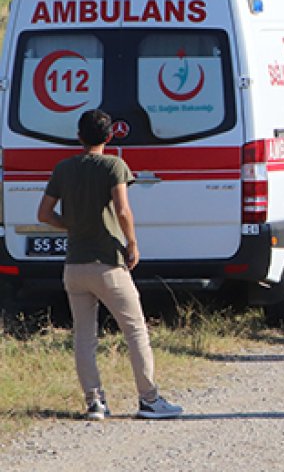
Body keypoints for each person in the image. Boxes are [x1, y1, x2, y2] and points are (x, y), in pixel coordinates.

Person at [38, 109, 183, 420]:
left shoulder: (63, 169)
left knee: (84, 336)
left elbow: (44, 214)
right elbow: (123, 210)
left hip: (74, 265)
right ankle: (149, 398)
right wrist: (132, 243)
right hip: (107, 263)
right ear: (109, 136)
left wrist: (73, 225)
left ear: (78, 136)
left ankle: (94, 402)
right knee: (135, 330)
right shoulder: (114, 166)